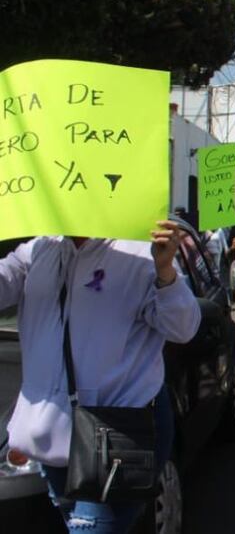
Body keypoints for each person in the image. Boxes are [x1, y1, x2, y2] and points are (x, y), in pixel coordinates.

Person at [1, 222, 201, 533]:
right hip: (51, 438)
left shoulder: (139, 252)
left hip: (116, 437)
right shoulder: (39, 248)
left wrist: (166, 273)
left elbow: (183, 328)